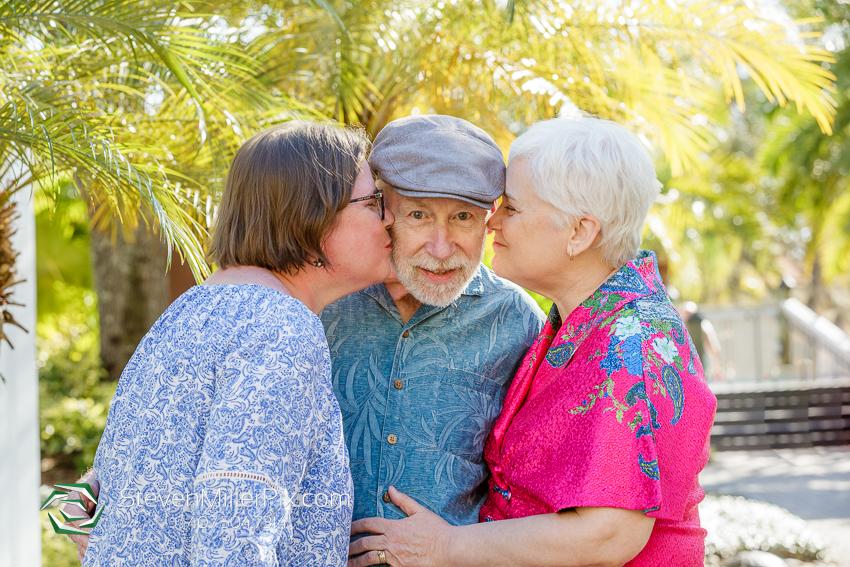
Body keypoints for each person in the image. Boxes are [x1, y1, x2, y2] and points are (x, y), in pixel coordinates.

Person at [348, 115, 717, 567]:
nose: (493, 222)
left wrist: (444, 547)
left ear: (580, 233)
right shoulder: (581, 324)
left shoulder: (631, 344)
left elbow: (608, 533)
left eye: (512, 208)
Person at [63, 120, 394, 566]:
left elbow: (96, 496)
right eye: (374, 202)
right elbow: (234, 538)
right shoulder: (280, 327)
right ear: (312, 215)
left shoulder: (186, 311)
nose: (389, 218)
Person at [320, 115, 545, 531]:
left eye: (463, 218)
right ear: (382, 209)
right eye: (419, 215)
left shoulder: (519, 322)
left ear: (489, 219)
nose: (441, 249)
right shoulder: (324, 301)